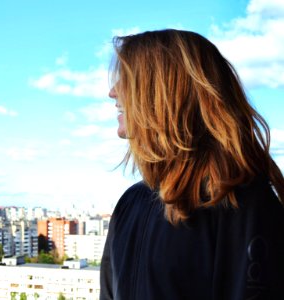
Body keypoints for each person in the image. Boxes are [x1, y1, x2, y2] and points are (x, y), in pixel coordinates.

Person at [100, 29, 284, 300]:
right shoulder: (131, 203)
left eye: (128, 80)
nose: (112, 92)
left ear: (168, 92)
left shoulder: (240, 203)